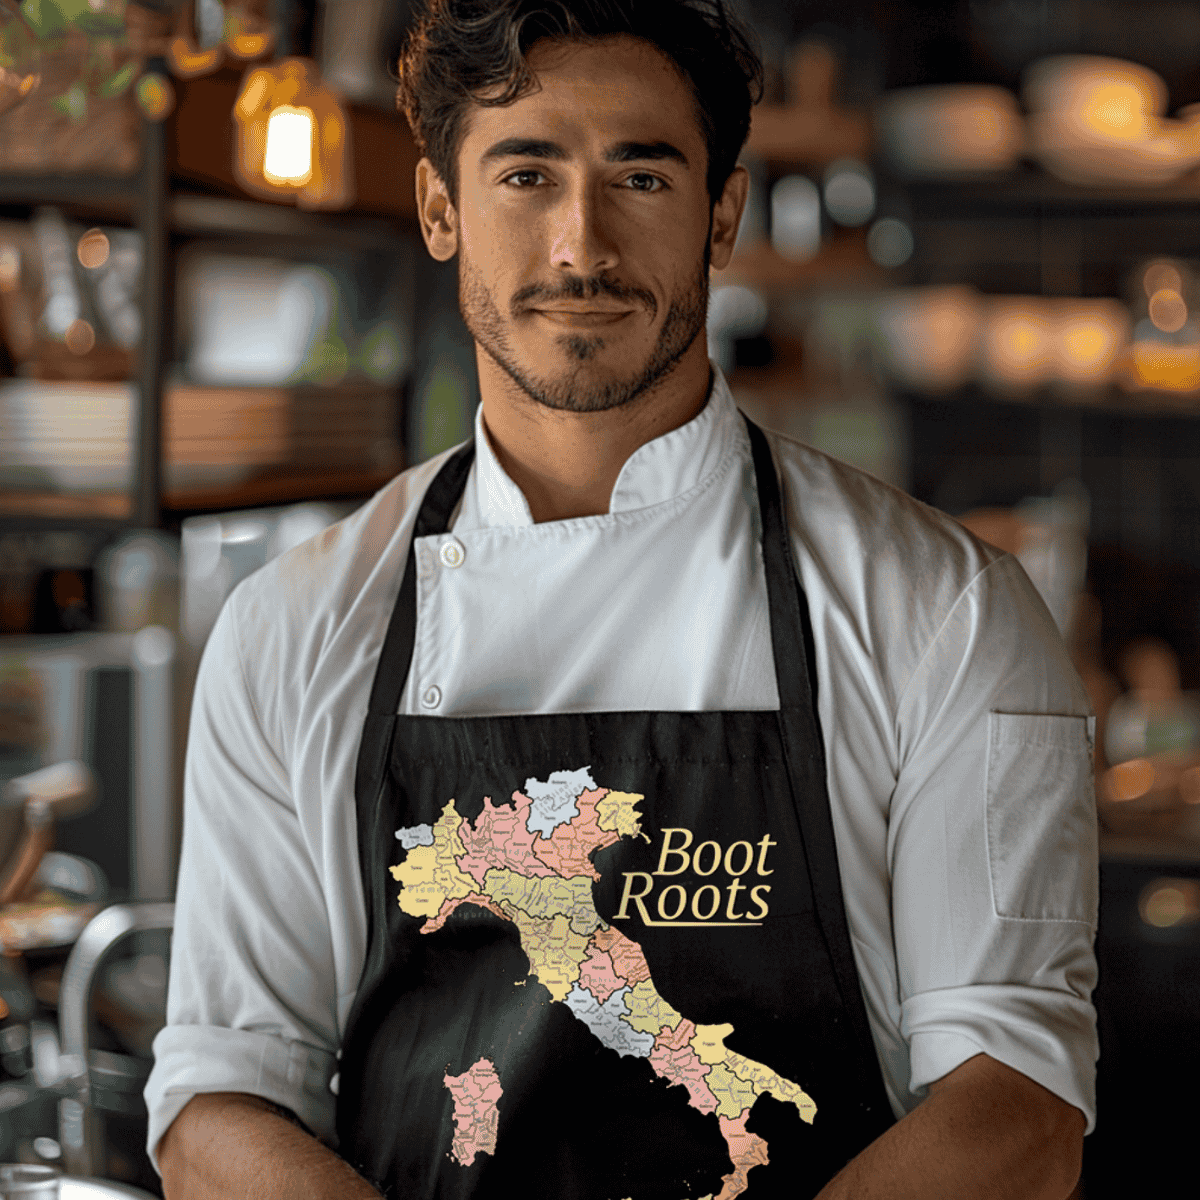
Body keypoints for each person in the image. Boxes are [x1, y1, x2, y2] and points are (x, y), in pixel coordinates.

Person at [147, 2, 1099, 1197]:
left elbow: (1015, 1109)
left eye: (640, 178)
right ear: (439, 210)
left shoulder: (945, 613)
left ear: (722, 214)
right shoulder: (293, 628)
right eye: (526, 175)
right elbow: (217, 1104)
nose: (581, 246)